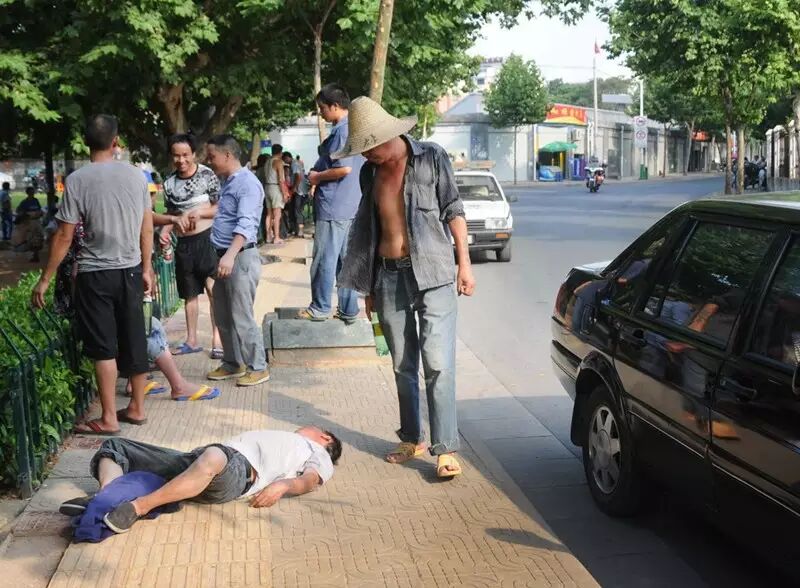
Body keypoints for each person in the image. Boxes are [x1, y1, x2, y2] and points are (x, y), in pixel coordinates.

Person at [337, 97, 475, 478]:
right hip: (388, 277)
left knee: (438, 363)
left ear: (387, 136)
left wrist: (464, 264)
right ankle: (411, 437)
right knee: (402, 364)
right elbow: (368, 231)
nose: (366, 156)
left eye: (368, 147)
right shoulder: (370, 173)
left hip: (434, 274)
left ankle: (445, 448)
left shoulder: (431, 158)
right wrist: (368, 288)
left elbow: (454, 209)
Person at [32, 114, 154, 435]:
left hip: (94, 274)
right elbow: (147, 227)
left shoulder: (77, 180)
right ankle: (138, 408)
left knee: (103, 346)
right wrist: (147, 267)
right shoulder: (136, 176)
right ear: (116, 141)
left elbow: (64, 236)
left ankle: (109, 417)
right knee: (134, 337)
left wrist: (45, 279)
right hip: (130, 270)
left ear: (86, 142)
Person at [59, 426, 342, 533]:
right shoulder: (293, 440)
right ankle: (105, 499)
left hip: (235, 470)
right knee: (116, 447)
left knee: (215, 456)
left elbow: (310, 479)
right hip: (200, 460)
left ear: (325, 437)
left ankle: (137, 507)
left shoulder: (318, 452)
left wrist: (283, 485)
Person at [204, 134, 270, 386]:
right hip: (224, 256)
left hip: (239, 257)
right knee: (223, 314)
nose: (209, 161)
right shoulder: (229, 182)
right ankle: (233, 362)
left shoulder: (248, 184)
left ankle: (258, 366)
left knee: (241, 315)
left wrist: (230, 255)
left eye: (212, 156)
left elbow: (246, 224)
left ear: (227, 155)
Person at [297, 84, 364, 323]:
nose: (321, 113)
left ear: (335, 106)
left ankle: (320, 307)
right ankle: (348, 310)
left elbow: (343, 168)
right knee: (345, 261)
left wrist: (316, 177)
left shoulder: (341, 132)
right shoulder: (355, 128)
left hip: (334, 206)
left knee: (324, 258)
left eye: (322, 108)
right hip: (349, 205)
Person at [155, 133, 224, 359]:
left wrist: (200, 213)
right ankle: (192, 340)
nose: (181, 160)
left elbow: (220, 207)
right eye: (176, 156)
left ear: (194, 154)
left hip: (208, 240)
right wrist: (165, 232)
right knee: (189, 294)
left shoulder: (207, 175)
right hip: (184, 244)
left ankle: (218, 339)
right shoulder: (169, 183)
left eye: (185, 155)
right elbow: (172, 214)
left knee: (214, 290)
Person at [12, 186, 45, 261]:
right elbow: (18, 211)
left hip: (37, 221)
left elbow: (39, 209)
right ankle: (34, 255)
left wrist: (40, 213)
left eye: (33, 191)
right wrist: (26, 215)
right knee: (32, 238)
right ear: (27, 193)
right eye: (31, 192)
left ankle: (35, 254)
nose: (32, 193)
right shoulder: (25, 202)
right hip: (30, 222)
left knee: (39, 237)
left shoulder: (36, 200)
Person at [264, 144, 288, 244]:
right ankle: (276, 237)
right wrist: (285, 193)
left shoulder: (267, 162)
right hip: (275, 188)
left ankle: (268, 236)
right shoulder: (278, 162)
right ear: (280, 152)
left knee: (269, 214)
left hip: (267, 187)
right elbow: (281, 180)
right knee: (277, 214)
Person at [291, 154, 309, 238]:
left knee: (298, 211)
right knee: (300, 210)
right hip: (304, 192)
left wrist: (294, 187)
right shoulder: (300, 165)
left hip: (299, 192)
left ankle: (300, 231)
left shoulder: (294, 164)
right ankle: (299, 230)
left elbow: (298, 176)